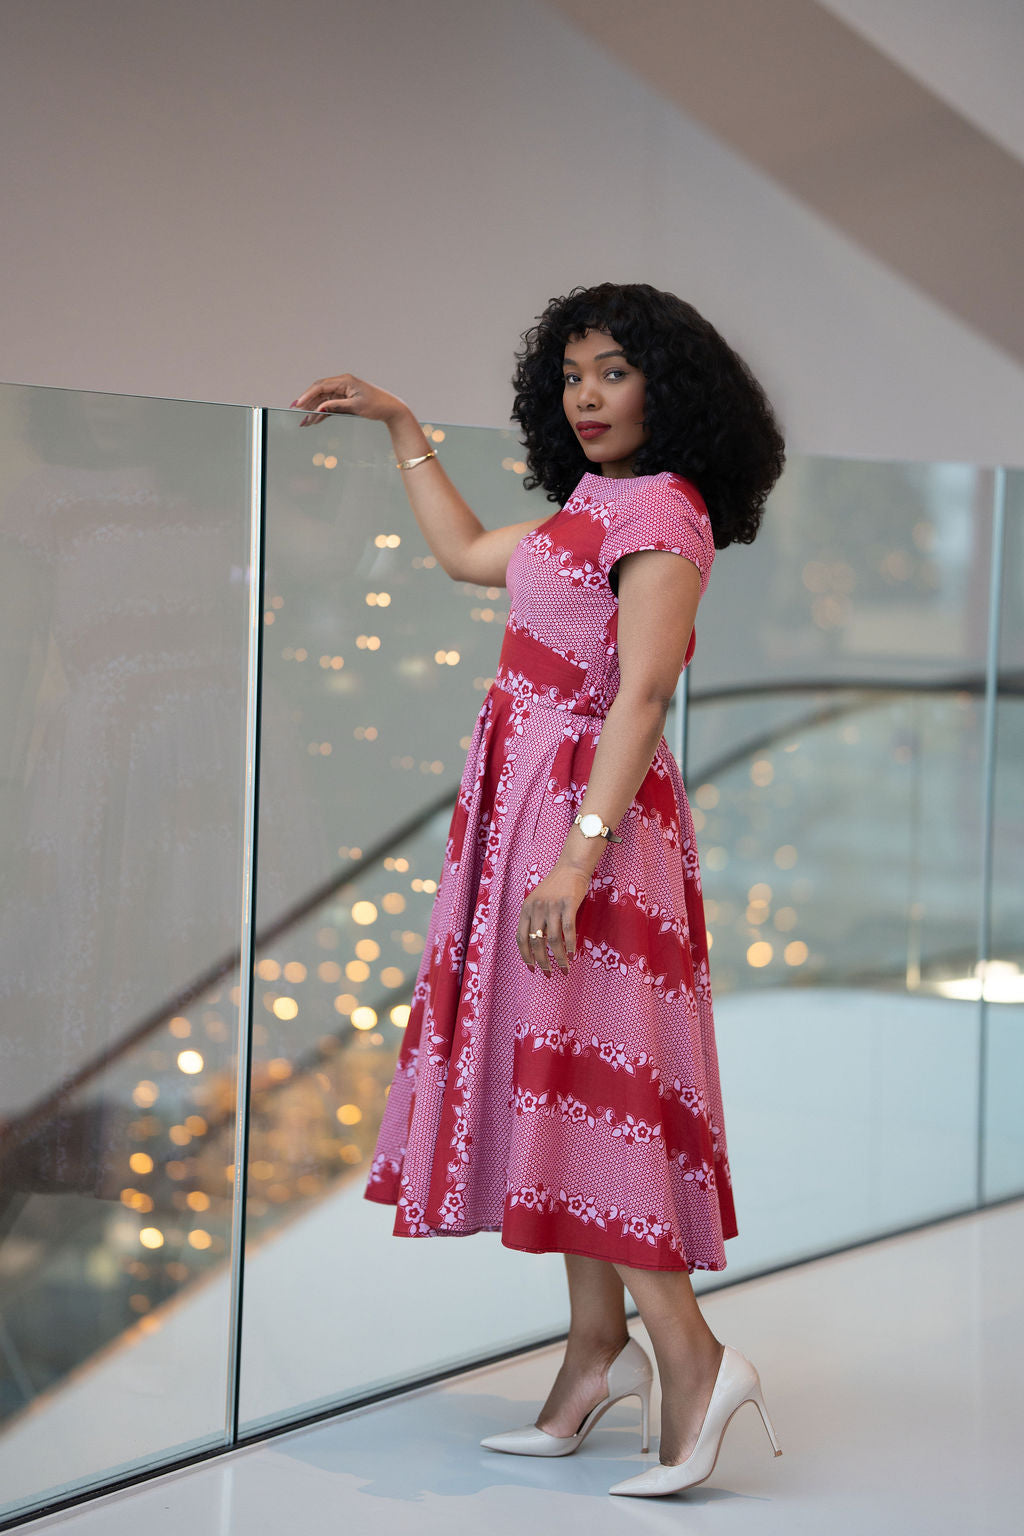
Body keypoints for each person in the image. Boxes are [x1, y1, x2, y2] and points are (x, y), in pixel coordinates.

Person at [290, 281, 786, 1497]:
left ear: (669, 388)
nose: (586, 397)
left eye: (613, 372)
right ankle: (593, 1354)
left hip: (587, 825)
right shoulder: (592, 506)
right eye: (571, 376)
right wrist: (404, 428)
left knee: (596, 1086)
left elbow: (643, 696)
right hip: (530, 811)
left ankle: (694, 1358)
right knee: (556, 1081)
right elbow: (468, 555)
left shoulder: (663, 510)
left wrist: (577, 854)